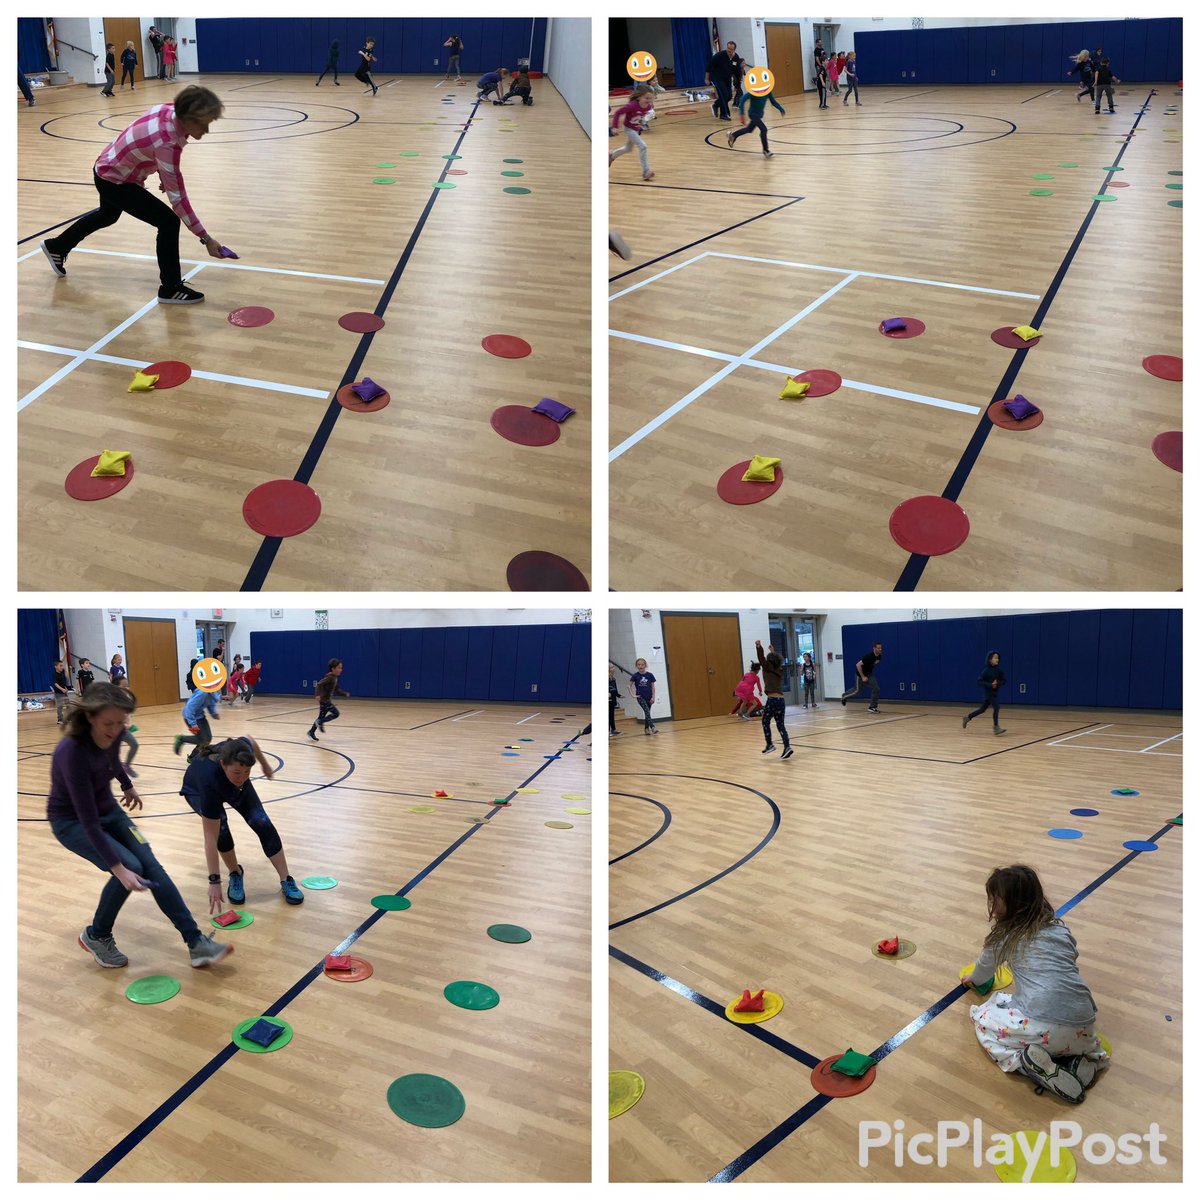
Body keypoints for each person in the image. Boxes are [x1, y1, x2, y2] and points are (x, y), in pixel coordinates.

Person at [47, 682, 232, 970]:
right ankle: (97, 935)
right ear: (89, 717)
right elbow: (88, 820)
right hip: (72, 822)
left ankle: (196, 943)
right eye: (108, 723)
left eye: (121, 722)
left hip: (108, 809)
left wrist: (127, 785)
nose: (116, 729)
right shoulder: (70, 753)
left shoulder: (116, 730)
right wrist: (119, 869)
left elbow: (112, 758)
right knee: (131, 867)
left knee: (151, 865)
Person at [38, 85, 227, 306]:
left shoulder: (167, 110)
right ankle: (170, 288)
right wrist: (206, 239)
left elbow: (146, 144)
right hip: (116, 180)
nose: (206, 129)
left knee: (107, 215)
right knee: (168, 221)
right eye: (204, 123)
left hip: (106, 166)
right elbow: (179, 199)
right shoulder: (168, 142)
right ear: (188, 118)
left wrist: (161, 173)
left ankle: (57, 247)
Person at [964, 865, 1107, 1103]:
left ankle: (1034, 1067)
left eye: (995, 900)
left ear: (1014, 905)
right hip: (1085, 1025)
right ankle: (1077, 1060)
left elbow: (982, 972)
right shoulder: (1060, 929)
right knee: (1012, 1004)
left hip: (1045, 1025)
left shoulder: (1003, 937)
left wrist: (973, 980)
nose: (992, 905)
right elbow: (1070, 959)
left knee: (982, 1018)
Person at [181, 735, 305, 908]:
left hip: (225, 777)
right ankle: (235, 873)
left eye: (247, 772)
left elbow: (250, 740)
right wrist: (214, 881)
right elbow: (210, 836)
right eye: (238, 773)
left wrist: (264, 764)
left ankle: (286, 879)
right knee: (221, 830)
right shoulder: (208, 778)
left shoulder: (240, 753)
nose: (242, 777)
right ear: (223, 764)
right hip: (197, 791)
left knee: (262, 822)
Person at [729, 78, 785, 158]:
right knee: (764, 129)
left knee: (749, 129)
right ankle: (766, 150)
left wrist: (781, 109)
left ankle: (733, 135)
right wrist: (742, 114)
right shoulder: (754, 92)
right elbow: (742, 99)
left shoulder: (767, 91)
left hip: (759, 115)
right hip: (753, 114)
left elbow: (773, 101)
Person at [755, 640, 792, 757]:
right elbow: (775, 660)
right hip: (781, 700)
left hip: (772, 700)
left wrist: (759, 647)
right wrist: (773, 651)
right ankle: (787, 747)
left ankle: (770, 744)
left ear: (769, 661)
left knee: (765, 721)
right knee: (780, 724)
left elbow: (761, 658)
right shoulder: (779, 669)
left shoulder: (767, 667)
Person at [609, 88, 655, 182]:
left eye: (650, 99)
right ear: (639, 97)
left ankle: (611, 156)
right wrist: (615, 127)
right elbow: (617, 113)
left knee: (628, 148)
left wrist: (644, 121)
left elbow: (646, 115)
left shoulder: (648, 106)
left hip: (636, 129)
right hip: (629, 129)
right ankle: (646, 172)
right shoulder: (631, 106)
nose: (648, 101)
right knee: (643, 146)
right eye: (646, 98)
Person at [962, 651, 1007, 736]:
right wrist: (990, 685)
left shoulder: (999, 670)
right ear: (990, 660)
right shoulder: (986, 671)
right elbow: (979, 682)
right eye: (995, 657)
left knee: (982, 710)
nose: (997, 659)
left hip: (994, 693)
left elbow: (1004, 681)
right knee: (997, 707)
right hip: (989, 693)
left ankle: (967, 717)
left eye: (998, 658)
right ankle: (996, 727)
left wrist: (997, 683)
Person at [307, 659, 349, 741]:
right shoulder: (330, 677)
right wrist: (317, 695)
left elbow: (337, 689)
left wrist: (344, 693)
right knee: (336, 713)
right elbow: (319, 685)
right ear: (333, 669)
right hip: (324, 700)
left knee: (321, 716)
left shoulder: (335, 678)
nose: (341, 670)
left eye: (341, 668)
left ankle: (311, 731)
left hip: (326, 700)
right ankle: (320, 722)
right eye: (339, 668)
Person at [175, 683, 219, 760]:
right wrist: (193, 724)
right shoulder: (202, 693)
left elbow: (210, 704)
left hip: (200, 717)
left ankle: (192, 757)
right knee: (201, 739)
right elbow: (189, 709)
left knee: (208, 738)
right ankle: (181, 739)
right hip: (190, 718)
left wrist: (214, 713)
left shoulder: (211, 692)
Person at [840, 641, 882, 712]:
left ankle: (872, 707)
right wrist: (862, 677)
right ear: (874, 648)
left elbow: (873, 664)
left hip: (869, 674)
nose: (880, 649)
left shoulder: (879, 656)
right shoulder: (868, 656)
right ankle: (844, 696)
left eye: (881, 648)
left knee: (876, 688)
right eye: (878, 648)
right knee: (857, 691)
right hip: (859, 675)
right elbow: (858, 665)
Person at [704, 42, 738, 120]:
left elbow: (737, 72)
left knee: (729, 96)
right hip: (717, 78)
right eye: (728, 48)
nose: (729, 50)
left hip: (727, 79)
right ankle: (723, 115)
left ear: (734, 50)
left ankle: (715, 105)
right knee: (724, 95)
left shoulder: (735, 58)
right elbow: (709, 66)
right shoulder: (720, 55)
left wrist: (737, 85)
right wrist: (706, 78)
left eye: (731, 49)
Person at [114, 677, 139, 777]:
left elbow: (128, 714)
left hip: (123, 729)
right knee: (114, 753)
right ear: (116, 687)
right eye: (123, 686)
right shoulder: (112, 699)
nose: (126, 688)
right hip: (112, 730)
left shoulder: (127, 698)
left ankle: (127, 766)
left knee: (134, 744)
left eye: (127, 686)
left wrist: (127, 724)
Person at [628, 658, 657, 735]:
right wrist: (633, 695)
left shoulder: (650, 675)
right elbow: (629, 686)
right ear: (636, 666)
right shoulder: (635, 676)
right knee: (647, 711)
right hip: (641, 697)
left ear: (645, 665)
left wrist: (653, 697)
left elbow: (653, 687)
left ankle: (646, 729)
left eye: (642, 664)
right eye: (639, 665)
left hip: (649, 696)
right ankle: (653, 727)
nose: (640, 666)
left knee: (647, 713)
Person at [609, 664, 623, 736]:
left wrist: (618, 695)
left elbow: (615, 689)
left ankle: (613, 729)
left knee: (612, 715)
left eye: (613, 667)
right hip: (608, 700)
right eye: (611, 667)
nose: (613, 668)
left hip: (613, 699)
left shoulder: (613, 679)